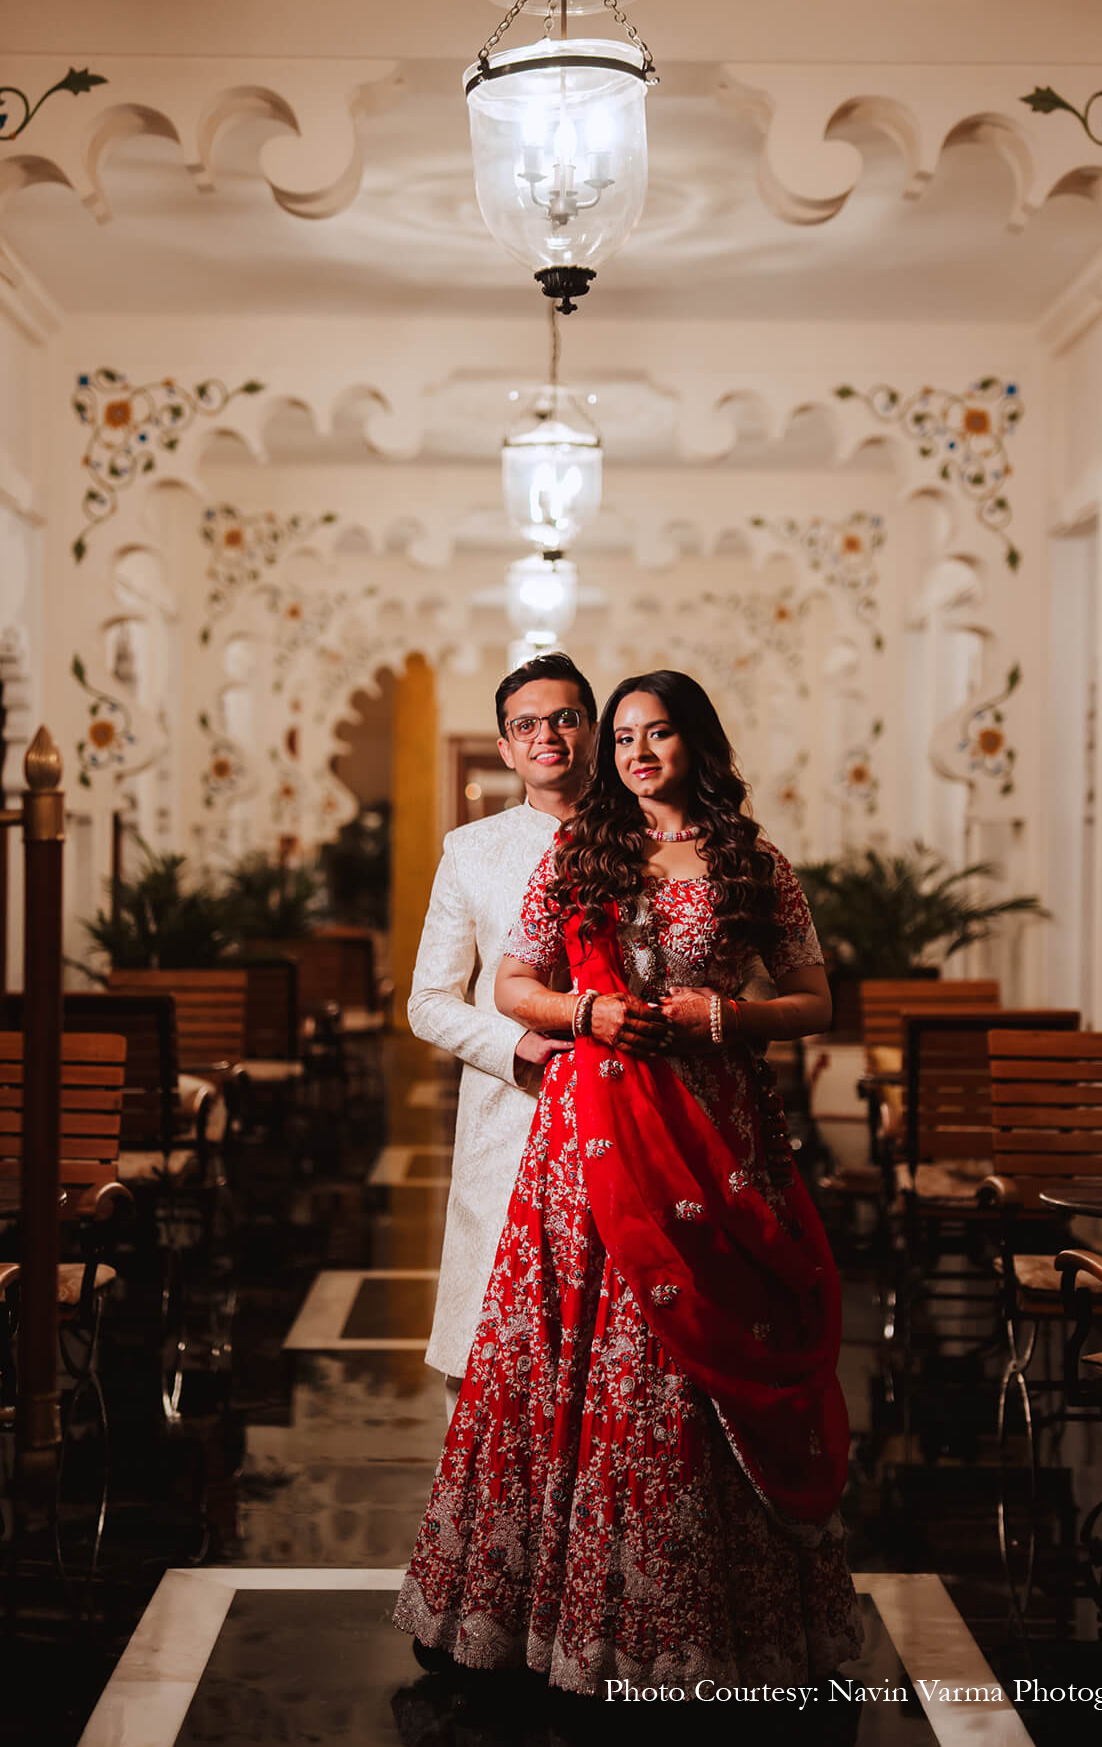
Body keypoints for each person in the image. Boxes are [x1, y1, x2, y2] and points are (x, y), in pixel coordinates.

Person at [396, 670, 860, 1694]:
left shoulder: (752, 863)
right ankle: (549, 1612)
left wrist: (725, 1018)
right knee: (581, 1369)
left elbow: (814, 998)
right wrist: (582, 1015)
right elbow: (500, 987)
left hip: (714, 1134)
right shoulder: (577, 855)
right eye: (625, 738)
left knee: (695, 1362)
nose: (636, 753)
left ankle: (703, 1624)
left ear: (697, 742)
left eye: (654, 734)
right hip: (587, 1145)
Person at [407, 651, 597, 1416]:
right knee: (493, 1352)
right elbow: (428, 1001)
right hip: (511, 1110)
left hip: (626, 1103)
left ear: (593, 730)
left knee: (611, 1347)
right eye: (526, 725)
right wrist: (512, 1048)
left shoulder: (649, 838)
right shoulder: (471, 851)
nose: (546, 735)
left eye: (564, 718)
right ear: (506, 748)